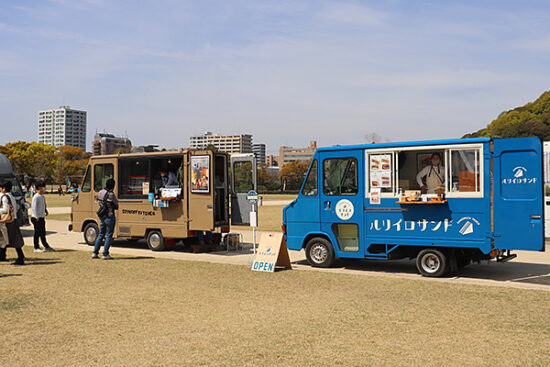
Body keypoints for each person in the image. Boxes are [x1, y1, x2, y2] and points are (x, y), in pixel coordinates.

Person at [0, 181, 26, 265]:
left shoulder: (4, 197)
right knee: (11, 239)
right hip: (13, 219)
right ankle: (2, 256)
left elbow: (5, 209)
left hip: (7, 221)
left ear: (3, 188)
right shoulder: (12, 196)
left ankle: (20, 258)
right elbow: (16, 207)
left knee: (8, 239)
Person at [93, 178, 118, 260]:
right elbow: (116, 205)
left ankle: (95, 252)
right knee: (108, 235)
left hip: (102, 216)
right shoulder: (111, 194)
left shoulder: (100, 192)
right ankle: (105, 254)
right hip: (110, 216)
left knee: (100, 234)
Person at [31, 182, 54, 252]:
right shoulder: (36, 196)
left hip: (41, 217)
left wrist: (45, 210)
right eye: (42, 187)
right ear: (39, 188)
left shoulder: (42, 196)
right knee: (37, 233)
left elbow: (43, 205)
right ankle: (36, 247)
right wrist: (36, 216)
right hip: (36, 218)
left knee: (42, 233)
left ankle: (46, 246)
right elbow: (34, 207)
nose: (44, 189)